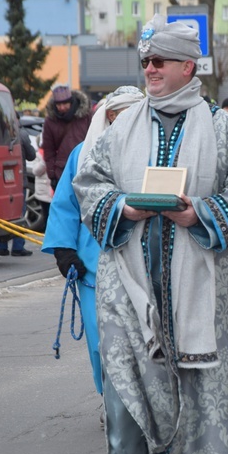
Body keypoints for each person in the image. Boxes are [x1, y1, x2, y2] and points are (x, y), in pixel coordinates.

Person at [71, 14, 228, 454]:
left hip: (204, 283)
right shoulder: (120, 127)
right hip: (131, 278)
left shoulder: (225, 130)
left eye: (159, 62)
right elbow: (90, 183)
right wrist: (123, 206)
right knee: (127, 376)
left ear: (187, 66)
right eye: (145, 62)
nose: (150, 70)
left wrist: (198, 214)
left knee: (203, 386)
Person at [42, 86, 145, 402]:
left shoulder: (156, 156)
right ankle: (112, 401)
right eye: (122, 113)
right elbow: (65, 205)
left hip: (145, 265)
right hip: (93, 268)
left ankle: (146, 400)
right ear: (110, 116)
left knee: (144, 338)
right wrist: (64, 249)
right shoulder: (81, 155)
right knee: (101, 341)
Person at [41, 83, 91, 191]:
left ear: (71, 102)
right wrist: (52, 175)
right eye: (58, 104)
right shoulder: (50, 121)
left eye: (65, 104)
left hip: (84, 166)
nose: (62, 107)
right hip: (62, 171)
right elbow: (49, 150)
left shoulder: (86, 116)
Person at [0, 124, 38, 256]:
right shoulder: (22, 134)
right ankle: (18, 246)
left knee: (3, 214)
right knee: (20, 213)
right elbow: (31, 156)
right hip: (19, 180)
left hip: (1, 181)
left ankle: (2, 246)